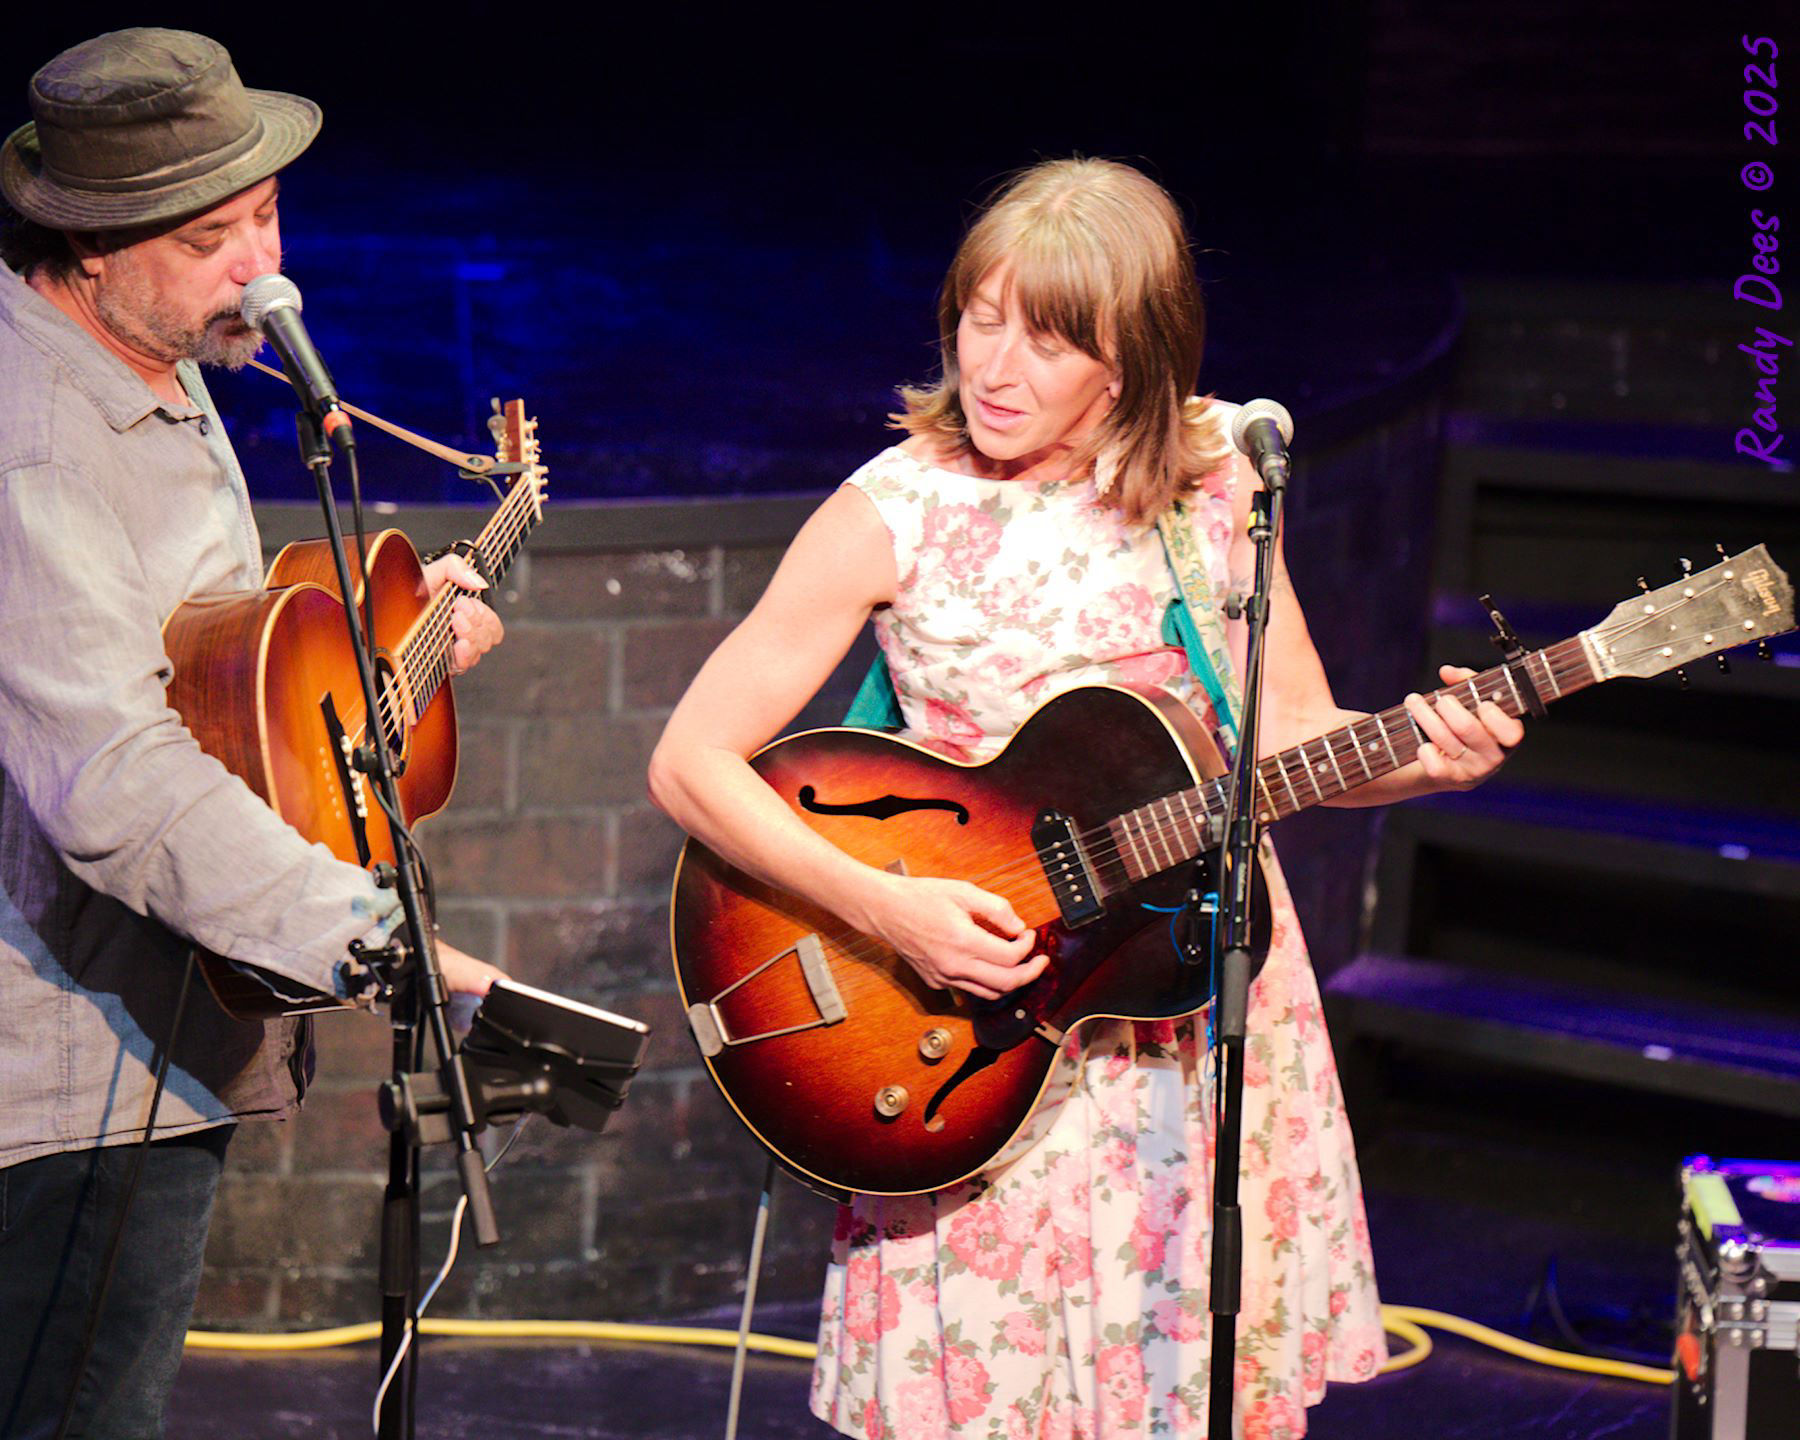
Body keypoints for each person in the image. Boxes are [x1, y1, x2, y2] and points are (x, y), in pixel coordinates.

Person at [650, 157, 1525, 1438]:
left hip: (1189, 1004)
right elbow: (692, 762)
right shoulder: (898, 510)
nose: (994, 366)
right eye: (980, 318)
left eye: (1048, 341)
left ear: (1130, 361)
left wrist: (1426, 755)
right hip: (977, 1022)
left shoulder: (1215, 484)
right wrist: (892, 917)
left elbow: (1291, 732)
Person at [0, 29, 506, 1438]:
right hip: (59, 1084)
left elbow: (196, 655)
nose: (257, 267)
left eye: (266, 215)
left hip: (150, 1048)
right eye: (211, 234)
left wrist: (387, 639)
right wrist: (376, 937)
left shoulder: (159, 358)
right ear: (89, 245)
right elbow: (112, 774)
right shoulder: (35, 436)